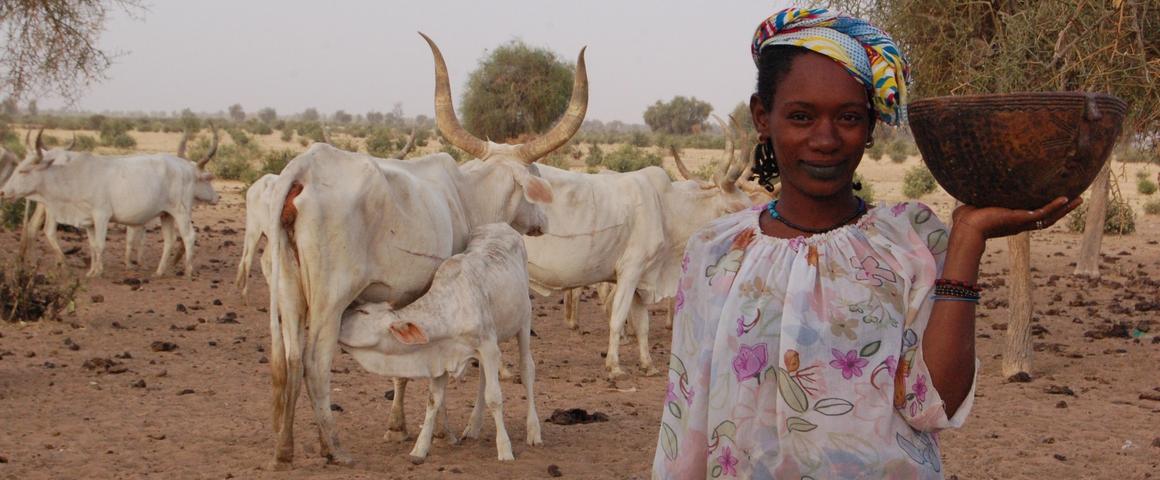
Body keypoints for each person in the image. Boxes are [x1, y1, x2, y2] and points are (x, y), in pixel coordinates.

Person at [651, 8, 1080, 479]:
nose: (825, 139)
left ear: (872, 125)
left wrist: (969, 239)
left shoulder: (907, 243)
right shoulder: (716, 252)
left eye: (849, 117)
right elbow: (687, 417)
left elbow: (934, 404)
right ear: (762, 117)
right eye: (800, 116)